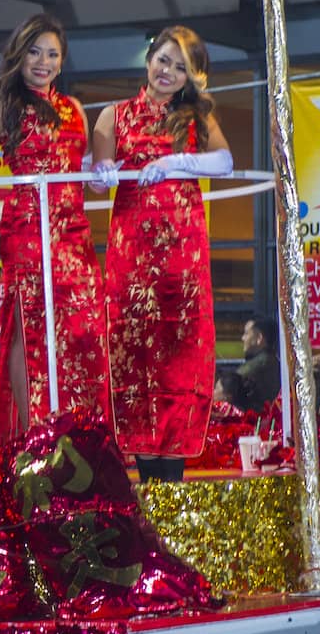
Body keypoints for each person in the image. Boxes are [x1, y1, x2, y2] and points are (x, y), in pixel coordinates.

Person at [0, 13, 108, 440]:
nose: (43, 61)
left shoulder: (73, 108)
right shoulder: (7, 104)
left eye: (53, 54)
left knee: (81, 331)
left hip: (73, 230)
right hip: (27, 229)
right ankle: (33, 431)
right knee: (28, 325)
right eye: (35, 52)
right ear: (20, 56)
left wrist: (103, 170)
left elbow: (86, 169)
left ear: (62, 61)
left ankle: (78, 429)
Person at [89, 25, 231, 482]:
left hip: (182, 259)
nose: (168, 71)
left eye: (180, 67)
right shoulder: (113, 115)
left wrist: (174, 163)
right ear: (148, 60)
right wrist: (105, 170)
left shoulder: (196, 118)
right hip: (131, 255)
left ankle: (172, 482)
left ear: (192, 77)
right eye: (163, 60)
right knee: (133, 358)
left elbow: (224, 162)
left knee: (180, 362)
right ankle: (147, 481)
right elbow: (96, 176)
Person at [237, 316, 281, 410]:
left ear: (259, 338)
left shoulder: (258, 365)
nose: (243, 338)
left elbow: (232, 384)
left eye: (246, 333)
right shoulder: (274, 361)